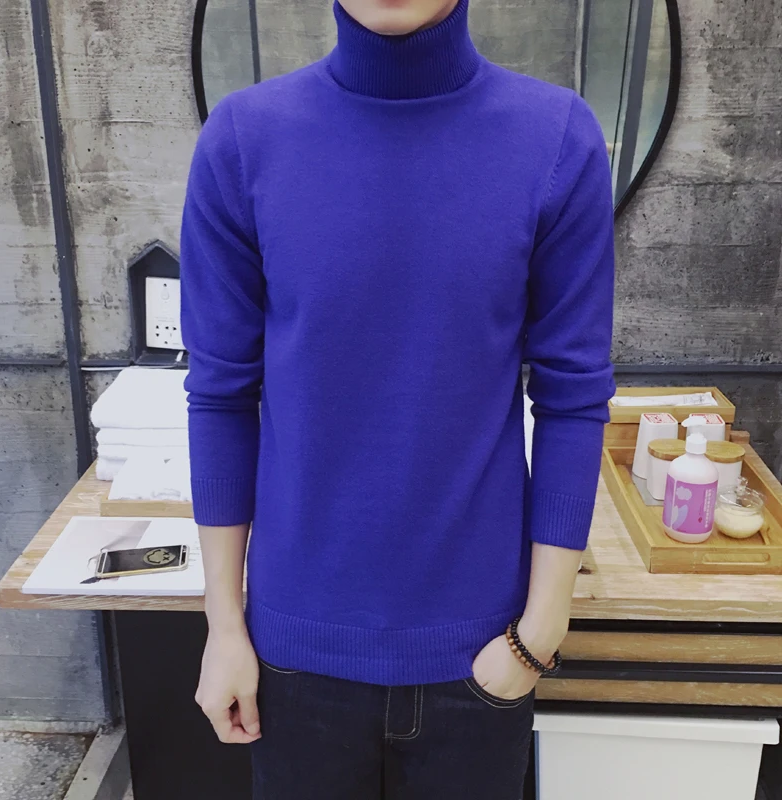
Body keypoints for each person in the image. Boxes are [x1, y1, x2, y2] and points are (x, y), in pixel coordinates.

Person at [180, 0, 615, 797]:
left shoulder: (555, 139)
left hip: (482, 657)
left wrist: (539, 631)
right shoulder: (244, 141)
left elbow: (573, 396)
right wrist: (224, 625)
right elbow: (219, 395)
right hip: (292, 658)